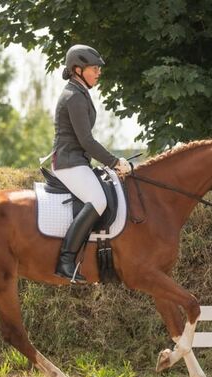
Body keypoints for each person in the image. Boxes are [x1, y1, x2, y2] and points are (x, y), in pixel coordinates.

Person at [51, 44, 131, 283]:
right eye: (94, 68)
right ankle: (65, 260)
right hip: (69, 162)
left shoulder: (79, 92)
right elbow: (86, 141)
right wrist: (115, 161)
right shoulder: (74, 96)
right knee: (98, 200)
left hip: (77, 160)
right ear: (77, 69)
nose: (98, 73)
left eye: (98, 68)